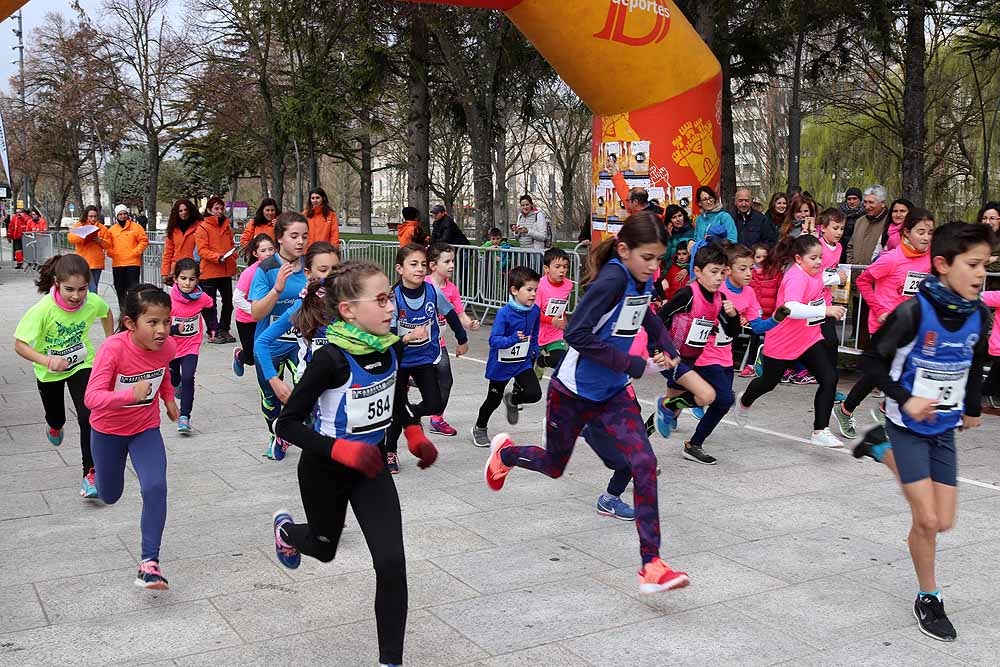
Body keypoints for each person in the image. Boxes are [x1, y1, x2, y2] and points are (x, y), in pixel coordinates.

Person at [483, 210, 690, 594]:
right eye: (648, 257)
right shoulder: (612, 278)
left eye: (659, 258)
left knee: (644, 462)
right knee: (555, 465)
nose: (654, 266)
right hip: (572, 392)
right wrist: (630, 363)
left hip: (612, 394)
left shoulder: (641, 278)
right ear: (624, 250)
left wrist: (666, 346)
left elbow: (646, 314)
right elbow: (577, 333)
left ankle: (652, 564)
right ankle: (506, 455)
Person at [272, 261, 439, 667]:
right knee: (325, 548)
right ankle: (288, 531)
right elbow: (287, 424)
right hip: (324, 470)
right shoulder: (331, 360)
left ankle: (390, 661)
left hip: (371, 468)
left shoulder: (392, 347)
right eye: (381, 300)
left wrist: (414, 434)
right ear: (348, 310)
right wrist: (341, 450)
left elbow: (396, 403)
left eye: (391, 299)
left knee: (392, 564)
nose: (391, 308)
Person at [850, 221, 992, 643]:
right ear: (943, 264)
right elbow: (871, 362)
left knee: (944, 520)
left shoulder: (978, 314)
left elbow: (975, 361)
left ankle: (877, 448)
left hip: (943, 429)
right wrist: (904, 397)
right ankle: (929, 597)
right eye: (973, 264)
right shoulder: (914, 311)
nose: (982, 273)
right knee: (926, 519)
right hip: (907, 424)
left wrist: (970, 408)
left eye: (987, 264)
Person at [85, 284, 179, 589]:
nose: (162, 330)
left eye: (166, 321)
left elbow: (162, 371)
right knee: (109, 494)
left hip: (144, 429)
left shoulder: (168, 347)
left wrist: (168, 399)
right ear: (130, 323)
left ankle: (149, 562)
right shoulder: (113, 349)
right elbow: (91, 398)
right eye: (152, 323)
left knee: (155, 486)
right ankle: (96, 474)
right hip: (108, 430)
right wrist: (128, 395)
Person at [14, 254, 114, 498]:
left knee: (88, 415)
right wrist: (47, 360)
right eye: (70, 289)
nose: (76, 296)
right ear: (57, 283)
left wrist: (110, 342)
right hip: (49, 372)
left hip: (82, 363)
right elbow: (20, 344)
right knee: (57, 416)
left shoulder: (92, 301)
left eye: (82, 289)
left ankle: (90, 474)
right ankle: (55, 426)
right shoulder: (42, 310)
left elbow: (106, 312)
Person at [734, 234, 847, 447]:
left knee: (829, 378)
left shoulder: (813, 272)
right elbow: (792, 307)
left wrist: (837, 277)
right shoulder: (795, 277)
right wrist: (826, 309)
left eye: (820, 257)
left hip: (809, 338)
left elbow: (820, 279)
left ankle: (820, 430)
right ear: (798, 259)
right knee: (769, 382)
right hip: (783, 340)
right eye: (813, 258)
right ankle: (744, 401)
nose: (819, 262)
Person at [833, 209, 934, 439]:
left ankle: (881, 410)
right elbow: (864, 281)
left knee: (906, 368)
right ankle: (849, 409)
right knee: (881, 371)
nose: (926, 237)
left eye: (930, 232)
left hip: (913, 324)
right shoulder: (892, 258)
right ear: (907, 232)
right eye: (921, 232)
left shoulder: (929, 259)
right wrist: (880, 310)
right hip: (885, 324)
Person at [685, 244, 787, 462]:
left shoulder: (749, 293)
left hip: (725, 357)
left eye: (751, 268)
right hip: (703, 355)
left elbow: (757, 327)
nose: (749, 273)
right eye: (743, 268)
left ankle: (675, 408)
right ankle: (693, 441)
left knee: (719, 402)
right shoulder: (716, 289)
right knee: (723, 399)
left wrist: (776, 319)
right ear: (728, 270)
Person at [385, 244, 468, 472]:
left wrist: (462, 339)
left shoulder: (432, 291)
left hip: (424, 358)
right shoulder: (394, 298)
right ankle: (389, 452)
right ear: (399, 269)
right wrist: (408, 336)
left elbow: (450, 312)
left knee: (434, 403)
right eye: (413, 264)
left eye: (423, 264)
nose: (420, 269)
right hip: (400, 362)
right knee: (395, 412)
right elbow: (390, 338)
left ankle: (409, 413)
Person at [253, 242, 340, 460]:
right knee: (318, 436)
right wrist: (274, 380)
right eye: (323, 270)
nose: (330, 277)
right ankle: (285, 433)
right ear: (308, 273)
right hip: (311, 381)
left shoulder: (348, 304)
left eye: (335, 270)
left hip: (340, 378)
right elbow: (262, 343)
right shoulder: (301, 308)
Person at [655, 243, 739, 461]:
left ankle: (688, 438)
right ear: (698, 272)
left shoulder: (720, 299)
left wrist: (733, 316)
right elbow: (659, 319)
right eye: (714, 272)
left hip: (694, 359)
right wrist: (660, 350)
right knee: (709, 396)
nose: (719, 278)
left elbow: (731, 332)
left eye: (723, 272)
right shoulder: (687, 294)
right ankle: (666, 407)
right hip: (672, 358)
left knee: (722, 400)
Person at [249, 212, 311, 459]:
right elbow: (256, 312)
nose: (300, 242)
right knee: (271, 397)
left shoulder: (309, 265)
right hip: (269, 343)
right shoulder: (267, 268)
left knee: (306, 389)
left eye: (304, 236)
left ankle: (306, 431)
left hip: (299, 342)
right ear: (280, 239)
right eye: (294, 236)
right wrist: (277, 290)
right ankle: (277, 435)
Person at [472, 266, 542, 444]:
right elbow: (494, 340)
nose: (533, 294)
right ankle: (480, 427)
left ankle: (512, 399)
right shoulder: (504, 314)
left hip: (522, 362)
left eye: (535, 290)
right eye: (529, 290)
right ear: (514, 290)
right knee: (493, 400)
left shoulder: (534, 311)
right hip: (501, 363)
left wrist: (534, 347)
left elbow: (534, 332)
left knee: (534, 393)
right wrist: (512, 339)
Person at [425, 242, 479, 437]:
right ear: (432, 265)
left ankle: (437, 418)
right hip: (418, 346)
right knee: (423, 379)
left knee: (446, 381)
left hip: (439, 346)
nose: (452, 265)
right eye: (447, 261)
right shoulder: (424, 285)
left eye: (453, 261)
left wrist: (469, 324)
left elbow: (459, 315)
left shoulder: (452, 290)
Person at [167, 258, 217, 436]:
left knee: (188, 377)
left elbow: (210, 308)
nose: (187, 283)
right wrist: (173, 329)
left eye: (191, 279)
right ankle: (175, 384)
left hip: (191, 345)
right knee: (174, 378)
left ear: (197, 280)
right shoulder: (168, 300)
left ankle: (185, 417)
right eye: (183, 278)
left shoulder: (201, 297)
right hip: (171, 346)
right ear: (175, 279)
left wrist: (213, 327)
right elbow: (161, 325)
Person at [232, 233, 276, 377]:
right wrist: (254, 310)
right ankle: (240, 356)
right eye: (263, 251)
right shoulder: (251, 272)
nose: (268, 253)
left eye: (271, 249)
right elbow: (237, 297)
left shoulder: (279, 269)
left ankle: (270, 382)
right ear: (255, 253)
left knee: (266, 352)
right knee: (251, 357)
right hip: (247, 320)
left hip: (267, 319)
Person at [533, 247, 573, 380]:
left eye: (565, 267)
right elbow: (534, 313)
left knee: (560, 360)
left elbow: (561, 305)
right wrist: (552, 320)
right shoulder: (539, 286)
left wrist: (563, 318)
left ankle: (541, 362)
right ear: (546, 269)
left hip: (555, 334)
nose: (562, 270)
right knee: (529, 387)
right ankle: (516, 394)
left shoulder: (568, 285)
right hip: (535, 334)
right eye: (557, 266)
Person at [106, 205, 149, 314]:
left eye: (124, 213)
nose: (123, 216)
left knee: (133, 289)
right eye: (120, 214)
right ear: (116, 216)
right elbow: (108, 244)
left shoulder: (136, 227)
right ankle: (123, 311)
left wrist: (136, 252)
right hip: (118, 263)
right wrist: (111, 253)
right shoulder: (112, 230)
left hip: (133, 263)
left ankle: (133, 311)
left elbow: (144, 241)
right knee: (120, 289)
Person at [68, 206, 108, 293]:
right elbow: (71, 238)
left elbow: (108, 245)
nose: (93, 219)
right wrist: (83, 237)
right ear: (86, 216)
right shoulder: (80, 225)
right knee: (92, 289)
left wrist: (100, 241)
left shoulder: (102, 228)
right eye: (90, 216)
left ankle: (90, 304)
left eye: (95, 216)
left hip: (97, 262)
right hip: (84, 262)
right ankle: (92, 305)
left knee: (94, 287)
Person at [160, 199, 202, 284]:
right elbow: (168, 252)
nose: (183, 212)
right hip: (178, 270)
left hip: (195, 270)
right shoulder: (173, 229)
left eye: (186, 210)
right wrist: (165, 272)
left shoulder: (201, 226)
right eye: (180, 211)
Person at [846, 185, 890, 265]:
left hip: (876, 273)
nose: (867, 206)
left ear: (882, 203)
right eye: (865, 202)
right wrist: (851, 264)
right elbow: (851, 247)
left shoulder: (889, 223)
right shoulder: (860, 221)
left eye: (871, 202)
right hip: (856, 273)